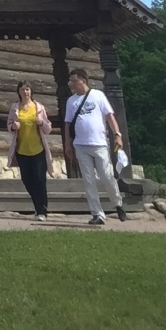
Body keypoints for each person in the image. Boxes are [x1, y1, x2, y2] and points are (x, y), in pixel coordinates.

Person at [63, 68, 126, 225]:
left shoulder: (98, 95)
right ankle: (97, 214)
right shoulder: (71, 101)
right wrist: (67, 144)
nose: (72, 84)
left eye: (74, 81)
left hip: (99, 144)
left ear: (83, 80)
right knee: (89, 180)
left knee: (106, 176)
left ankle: (117, 203)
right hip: (81, 146)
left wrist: (117, 134)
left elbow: (109, 116)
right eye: (71, 81)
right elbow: (67, 124)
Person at [7, 80, 53, 221]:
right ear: (19, 92)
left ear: (31, 92)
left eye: (27, 89)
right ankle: (38, 205)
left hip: (38, 149)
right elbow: (9, 125)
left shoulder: (38, 107)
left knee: (40, 180)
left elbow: (48, 129)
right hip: (22, 150)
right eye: (22, 89)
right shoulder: (15, 108)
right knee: (27, 180)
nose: (25, 92)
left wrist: (41, 122)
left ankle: (42, 211)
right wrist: (13, 126)